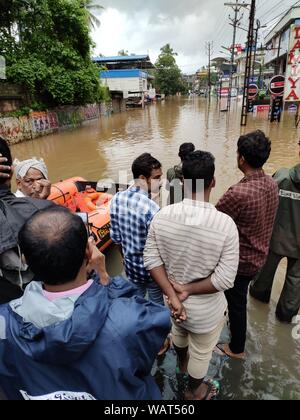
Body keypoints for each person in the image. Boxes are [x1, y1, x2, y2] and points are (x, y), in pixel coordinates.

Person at [0, 207, 171, 400]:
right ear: (89, 252)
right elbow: (158, 344)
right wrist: (104, 279)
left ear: (24, 260)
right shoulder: (131, 319)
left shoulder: (4, 321)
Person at [144, 151, 240, 400]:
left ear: (183, 181)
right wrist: (188, 289)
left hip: (173, 303)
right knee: (202, 352)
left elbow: (151, 260)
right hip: (206, 311)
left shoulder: (161, 216)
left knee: (179, 333)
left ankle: (180, 366)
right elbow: (225, 279)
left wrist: (174, 296)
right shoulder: (225, 224)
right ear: (213, 182)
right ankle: (195, 392)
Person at [215, 130, 279, 359]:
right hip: (260, 255)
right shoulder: (271, 183)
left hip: (241, 262)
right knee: (237, 300)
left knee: (237, 304)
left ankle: (237, 348)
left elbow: (215, 220)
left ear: (241, 158)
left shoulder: (238, 193)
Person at [250, 140, 300, 323]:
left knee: (263, 277)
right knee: (295, 284)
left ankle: (257, 309)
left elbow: (263, 200)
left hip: (275, 238)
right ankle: (285, 318)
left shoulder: (282, 176)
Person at [0, 137, 55, 304]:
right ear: (15, 180)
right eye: (29, 181)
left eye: (39, 180)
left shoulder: (41, 207)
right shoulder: (46, 211)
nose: (35, 185)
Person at [110, 153, 164, 306]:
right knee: (156, 306)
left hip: (131, 269)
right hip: (152, 273)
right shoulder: (152, 208)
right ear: (142, 178)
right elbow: (160, 248)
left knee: (136, 303)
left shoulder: (117, 199)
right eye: (157, 178)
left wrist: (126, 259)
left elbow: (116, 239)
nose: (160, 182)